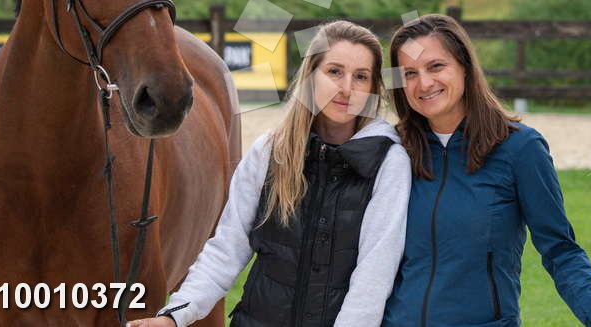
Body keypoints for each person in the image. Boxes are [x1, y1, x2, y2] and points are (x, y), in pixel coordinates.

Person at [128, 20, 411, 327]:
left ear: (373, 89)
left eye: (361, 77)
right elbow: (226, 251)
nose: (346, 88)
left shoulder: (388, 161)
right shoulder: (269, 151)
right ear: (311, 76)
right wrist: (174, 317)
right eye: (334, 72)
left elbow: (374, 277)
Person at [382, 14, 591, 327]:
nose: (424, 83)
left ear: (465, 66)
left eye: (436, 66)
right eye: (410, 73)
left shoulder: (520, 148)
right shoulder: (393, 149)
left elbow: (560, 249)